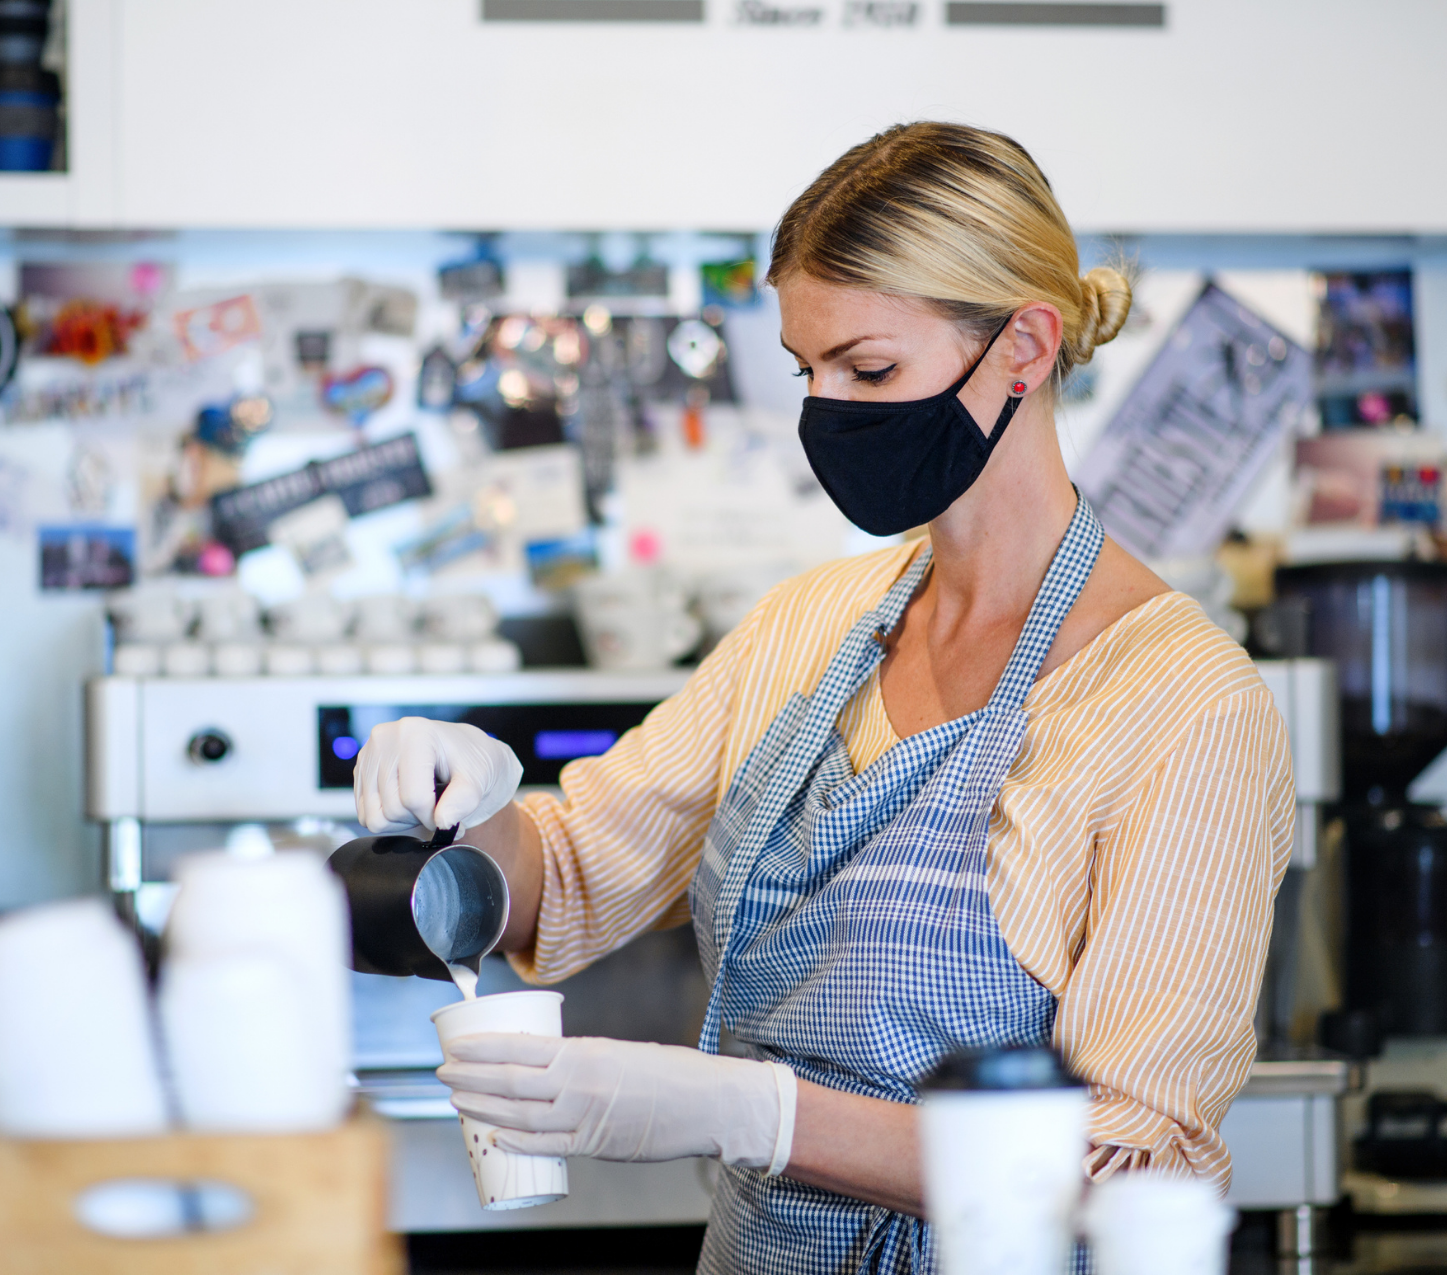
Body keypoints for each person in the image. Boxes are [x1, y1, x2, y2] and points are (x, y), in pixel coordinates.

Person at [354, 121, 1293, 1274]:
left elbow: (1132, 1170)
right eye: (809, 372)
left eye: (871, 369)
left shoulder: (1186, 705)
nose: (829, 414)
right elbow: (574, 878)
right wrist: (475, 796)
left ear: (1026, 345)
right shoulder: (811, 626)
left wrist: (761, 1116)